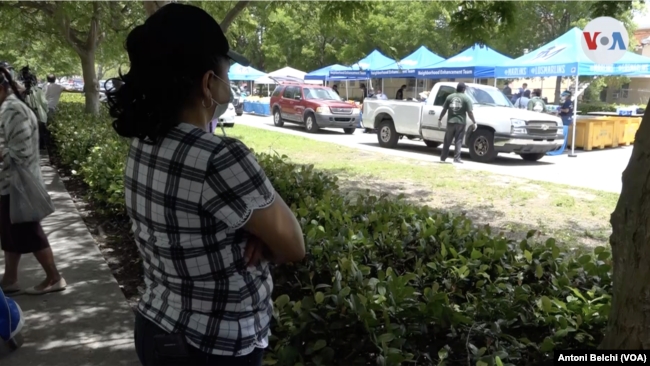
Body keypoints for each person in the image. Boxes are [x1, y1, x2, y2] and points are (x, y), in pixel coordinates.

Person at [105, 4, 305, 365]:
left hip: (156, 326)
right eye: (226, 71)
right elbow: (293, 245)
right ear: (208, 83)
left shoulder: (144, 143)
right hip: (214, 345)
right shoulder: (221, 157)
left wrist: (253, 232)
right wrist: (258, 236)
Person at [0, 65, 66, 296]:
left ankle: (54, 277)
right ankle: (10, 279)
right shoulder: (8, 107)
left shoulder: (12, 110)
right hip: (11, 183)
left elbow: (20, 153)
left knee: (29, 231)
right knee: (10, 232)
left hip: (18, 184)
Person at [438, 82, 476, 164]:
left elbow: (444, 110)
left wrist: (440, 119)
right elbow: (470, 112)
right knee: (458, 140)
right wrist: (474, 122)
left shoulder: (449, 97)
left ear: (456, 88)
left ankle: (443, 158)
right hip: (460, 122)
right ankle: (456, 158)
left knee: (447, 141)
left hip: (450, 122)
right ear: (464, 89)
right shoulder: (466, 99)